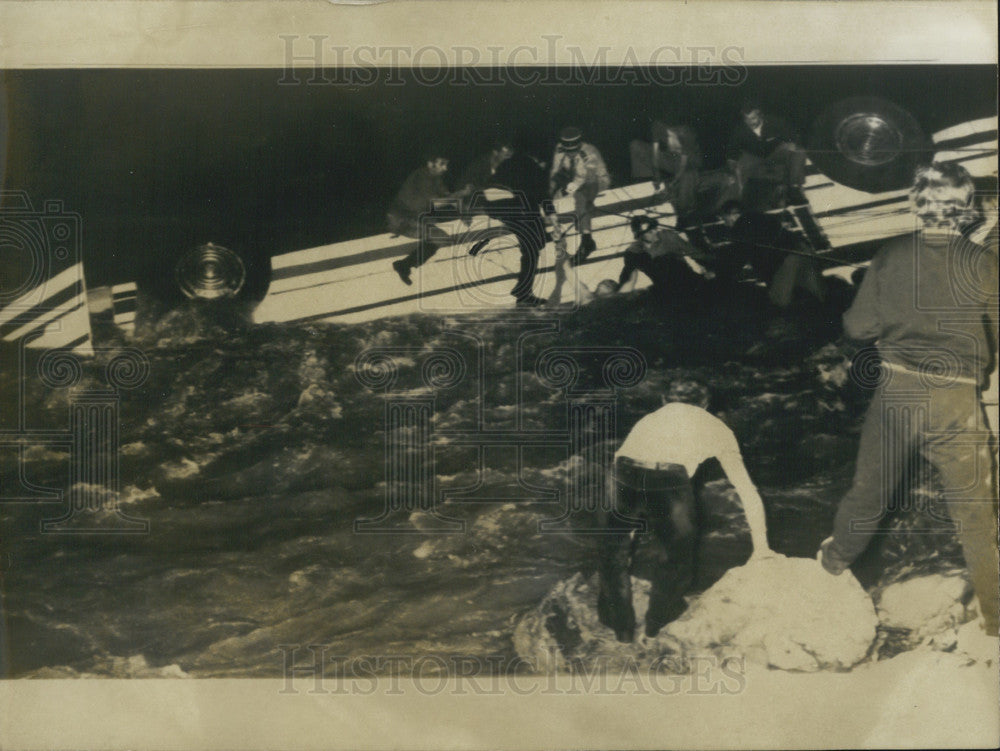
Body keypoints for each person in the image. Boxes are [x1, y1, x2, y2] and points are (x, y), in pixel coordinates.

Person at [819, 162, 999, 639]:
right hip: (958, 399)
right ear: (964, 208)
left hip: (897, 392)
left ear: (916, 205)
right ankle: (996, 620)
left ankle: (832, 567)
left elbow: (858, 329)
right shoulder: (984, 262)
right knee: (976, 512)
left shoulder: (891, 254)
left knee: (868, 493)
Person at [597, 380, 771, 642]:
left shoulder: (649, 419)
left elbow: (619, 460)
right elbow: (747, 491)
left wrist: (628, 531)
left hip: (623, 471)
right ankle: (658, 624)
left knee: (613, 553)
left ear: (665, 401)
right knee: (676, 555)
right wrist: (762, 548)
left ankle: (620, 626)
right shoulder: (717, 427)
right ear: (705, 405)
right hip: (668, 479)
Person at [466, 149, 551, 306]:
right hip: (507, 201)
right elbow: (540, 196)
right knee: (531, 246)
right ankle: (523, 292)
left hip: (492, 203)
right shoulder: (533, 167)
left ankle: (522, 290)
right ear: (540, 160)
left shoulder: (511, 162)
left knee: (533, 242)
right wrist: (552, 216)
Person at [630, 119, 738, 229]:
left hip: (689, 164)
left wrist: (674, 182)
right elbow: (655, 155)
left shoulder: (686, 134)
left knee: (689, 176)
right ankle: (644, 184)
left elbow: (683, 165)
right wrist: (656, 177)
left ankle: (685, 212)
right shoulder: (657, 127)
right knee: (636, 145)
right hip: (672, 160)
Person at [719, 200, 825, 309]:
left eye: (724, 218)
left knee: (779, 301)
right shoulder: (758, 218)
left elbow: (740, 255)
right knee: (815, 293)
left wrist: (722, 274)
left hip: (788, 258)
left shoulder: (742, 225)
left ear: (734, 214)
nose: (724, 222)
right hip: (803, 251)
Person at [389, 151, 466, 285]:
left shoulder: (435, 176)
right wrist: (461, 194)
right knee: (441, 238)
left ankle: (404, 265)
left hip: (414, 217)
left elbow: (446, 195)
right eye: (442, 164)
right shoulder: (422, 177)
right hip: (402, 219)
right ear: (430, 164)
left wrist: (460, 201)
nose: (445, 168)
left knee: (442, 238)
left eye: (446, 164)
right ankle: (404, 265)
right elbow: (437, 203)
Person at [726, 101, 807, 208]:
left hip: (774, 153)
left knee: (799, 151)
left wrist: (793, 144)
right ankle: (743, 200)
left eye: (753, 118)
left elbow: (794, 137)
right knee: (739, 167)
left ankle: (793, 188)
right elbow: (732, 155)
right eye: (746, 119)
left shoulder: (775, 122)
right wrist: (732, 171)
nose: (750, 122)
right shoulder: (739, 131)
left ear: (760, 115)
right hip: (755, 157)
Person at [549, 126, 611, 266]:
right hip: (574, 180)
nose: (570, 154)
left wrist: (587, 199)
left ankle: (587, 240)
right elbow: (555, 171)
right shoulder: (559, 149)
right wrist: (550, 192)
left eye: (573, 151)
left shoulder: (589, 152)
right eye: (568, 151)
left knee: (581, 196)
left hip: (596, 180)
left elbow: (585, 179)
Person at [617, 215, 715, 299]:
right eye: (650, 231)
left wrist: (713, 265)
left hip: (688, 281)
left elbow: (695, 253)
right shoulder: (633, 252)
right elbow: (628, 278)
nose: (655, 232)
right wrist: (620, 295)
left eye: (655, 228)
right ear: (639, 236)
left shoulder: (668, 236)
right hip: (665, 291)